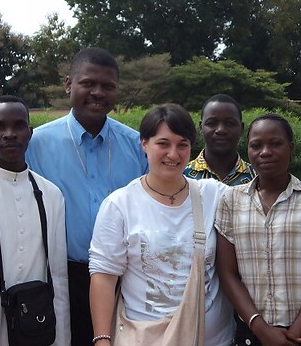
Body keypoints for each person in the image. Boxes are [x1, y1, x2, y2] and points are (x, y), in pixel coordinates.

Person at [25, 47, 148, 346]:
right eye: (88, 83)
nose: (98, 92)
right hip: (63, 277)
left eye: (108, 86)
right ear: (69, 84)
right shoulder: (36, 144)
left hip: (126, 279)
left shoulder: (136, 145)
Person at [89, 103, 235, 346]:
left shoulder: (214, 195)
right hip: (144, 338)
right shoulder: (120, 204)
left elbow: (259, 205)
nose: (173, 154)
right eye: (163, 144)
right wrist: (102, 340)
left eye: (182, 145)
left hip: (212, 339)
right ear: (144, 144)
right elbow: (104, 275)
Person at [215, 113, 301, 346]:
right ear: (248, 150)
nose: (265, 152)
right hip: (253, 334)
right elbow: (228, 274)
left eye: (275, 144)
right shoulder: (230, 201)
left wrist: (293, 336)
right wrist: (261, 329)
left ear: (290, 148)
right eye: (256, 145)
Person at [0, 95, 70, 345]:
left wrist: (63, 338)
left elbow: (58, 275)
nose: (9, 134)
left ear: (30, 133)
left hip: (39, 326)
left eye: (19, 126)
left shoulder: (51, 194)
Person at [184, 94, 255, 186]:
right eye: (212, 123)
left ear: (241, 129)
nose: (221, 130)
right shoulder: (182, 176)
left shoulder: (257, 178)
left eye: (229, 123)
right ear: (201, 128)